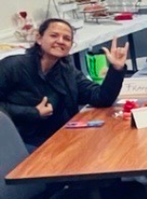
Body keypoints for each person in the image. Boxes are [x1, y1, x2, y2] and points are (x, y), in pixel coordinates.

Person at [0, 19, 128, 149]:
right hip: (19, 143)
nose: (60, 41)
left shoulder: (67, 71)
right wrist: (32, 112)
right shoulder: (13, 66)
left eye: (66, 38)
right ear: (39, 38)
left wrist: (116, 69)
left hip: (60, 139)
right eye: (54, 35)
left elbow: (101, 98)